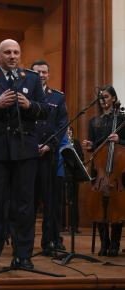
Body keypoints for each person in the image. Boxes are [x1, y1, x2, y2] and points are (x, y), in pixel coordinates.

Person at [0, 39, 50, 270]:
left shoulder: (32, 79)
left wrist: (29, 105)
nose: (13, 56)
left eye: (16, 52)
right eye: (8, 52)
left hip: (25, 151)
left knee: (24, 205)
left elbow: (44, 111)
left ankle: (23, 255)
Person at [82, 84, 125, 257]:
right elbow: (94, 145)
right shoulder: (94, 121)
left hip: (118, 170)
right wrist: (89, 145)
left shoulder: (122, 120)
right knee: (99, 203)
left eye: (106, 96)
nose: (102, 100)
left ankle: (115, 243)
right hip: (100, 170)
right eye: (100, 97)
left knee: (117, 203)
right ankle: (104, 242)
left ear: (114, 98)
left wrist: (120, 139)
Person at [31, 60, 68, 256]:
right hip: (27, 157)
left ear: (48, 74)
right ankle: (25, 244)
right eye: (37, 72)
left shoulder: (58, 97)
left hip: (49, 157)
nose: (41, 75)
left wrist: (48, 146)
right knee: (27, 204)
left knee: (51, 203)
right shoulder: (24, 95)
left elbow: (62, 125)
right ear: (31, 73)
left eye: (45, 72)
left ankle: (51, 241)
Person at [62, 126, 84, 233]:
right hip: (62, 174)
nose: (69, 132)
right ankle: (61, 225)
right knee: (61, 200)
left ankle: (74, 226)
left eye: (70, 130)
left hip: (73, 175)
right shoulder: (61, 142)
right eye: (66, 130)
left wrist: (72, 147)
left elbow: (81, 157)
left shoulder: (76, 142)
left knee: (73, 201)